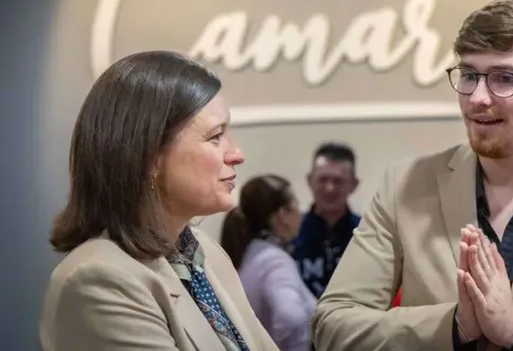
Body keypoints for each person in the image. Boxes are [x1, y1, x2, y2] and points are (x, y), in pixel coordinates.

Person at [311, 0, 513, 351]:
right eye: (468, 75)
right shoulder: (406, 186)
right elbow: (332, 325)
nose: (477, 97)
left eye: (505, 78)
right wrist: (454, 325)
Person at [39, 51, 278, 351]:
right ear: (150, 156)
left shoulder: (206, 253)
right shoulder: (99, 281)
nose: (236, 153)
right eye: (215, 137)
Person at [220, 175, 317, 351]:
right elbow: (291, 319)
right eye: (296, 206)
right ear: (283, 215)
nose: (301, 214)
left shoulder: (249, 254)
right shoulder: (275, 261)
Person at [292, 142, 361, 298]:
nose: (330, 188)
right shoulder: (289, 235)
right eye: (323, 179)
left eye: (338, 181)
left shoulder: (367, 234)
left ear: (354, 185)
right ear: (310, 180)